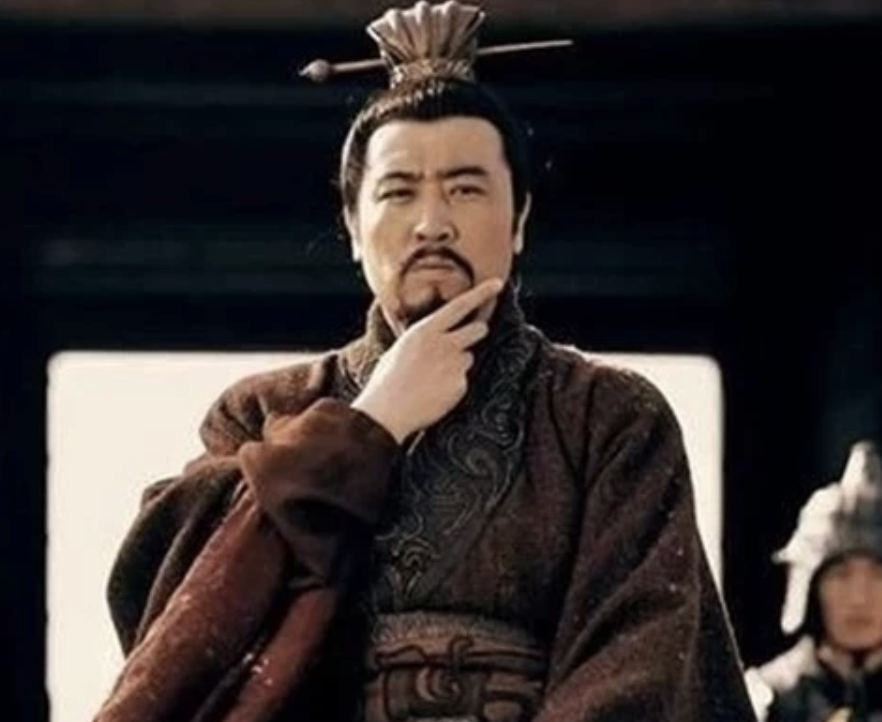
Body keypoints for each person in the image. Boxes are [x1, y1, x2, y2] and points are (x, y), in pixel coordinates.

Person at [92, 2, 756, 721]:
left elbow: (643, 661)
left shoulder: (609, 417)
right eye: (399, 192)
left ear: (520, 219)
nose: (432, 223)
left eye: (466, 189)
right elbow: (174, 618)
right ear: (353, 226)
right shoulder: (259, 413)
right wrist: (367, 427)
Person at [745, 440, 882, 722]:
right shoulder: (766, 700)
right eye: (841, 575)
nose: (859, 597)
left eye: (878, 576)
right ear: (811, 587)